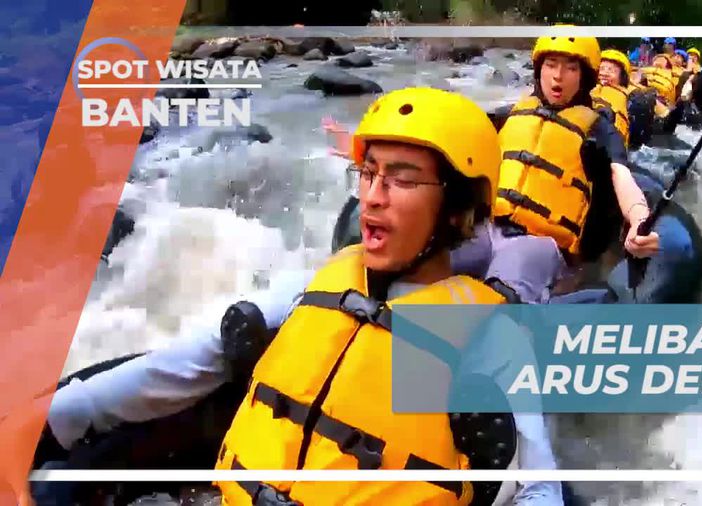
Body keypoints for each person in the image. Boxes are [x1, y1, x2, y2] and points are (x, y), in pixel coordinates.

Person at [33, 88, 566, 505]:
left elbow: (540, 488)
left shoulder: (488, 335)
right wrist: (47, 421)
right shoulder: (316, 285)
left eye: (401, 180)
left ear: (457, 209)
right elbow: (188, 363)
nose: (372, 198)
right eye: (368, 173)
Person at [450, 29, 660, 305]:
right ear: (539, 70)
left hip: (541, 242)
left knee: (502, 294)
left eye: (570, 68)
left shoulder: (599, 129)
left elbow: (620, 175)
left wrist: (639, 220)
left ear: (585, 76)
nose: (558, 76)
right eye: (551, 65)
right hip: (487, 228)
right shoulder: (517, 111)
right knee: (429, 260)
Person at [591, 49, 633, 146]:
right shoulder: (586, 87)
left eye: (611, 70)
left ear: (622, 77)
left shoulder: (627, 95)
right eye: (601, 69)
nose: (604, 73)